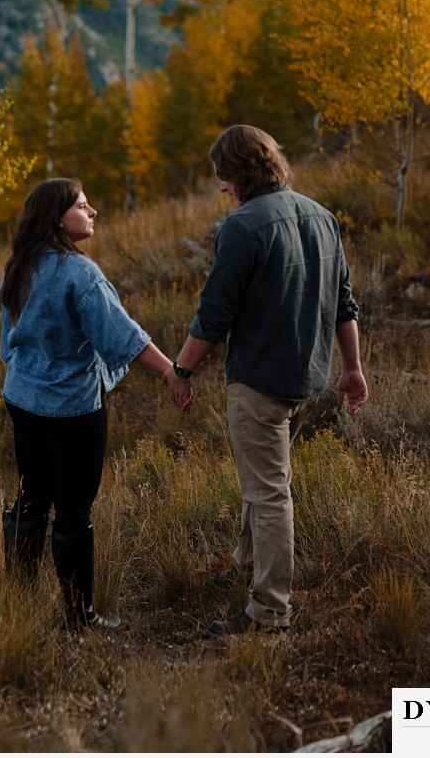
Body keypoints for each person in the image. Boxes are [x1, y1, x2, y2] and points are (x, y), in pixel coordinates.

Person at [166, 125, 368, 636]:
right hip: (309, 378)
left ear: (239, 171)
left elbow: (212, 318)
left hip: (259, 384)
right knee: (263, 483)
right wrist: (351, 369)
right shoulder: (323, 217)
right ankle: (243, 566)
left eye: (222, 176)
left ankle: (270, 610)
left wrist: (181, 370)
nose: (220, 187)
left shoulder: (242, 228)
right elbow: (345, 305)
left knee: (270, 491)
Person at [0, 177, 192, 630]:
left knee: (31, 500)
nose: (93, 212)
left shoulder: (17, 267)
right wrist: (170, 372)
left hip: (22, 400)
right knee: (71, 509)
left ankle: (17, 606)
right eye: (83, 207)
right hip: (71, 409)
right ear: (57, 219)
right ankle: (79, 616)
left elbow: (9, 344)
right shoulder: (79, 274)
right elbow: (124, 335)